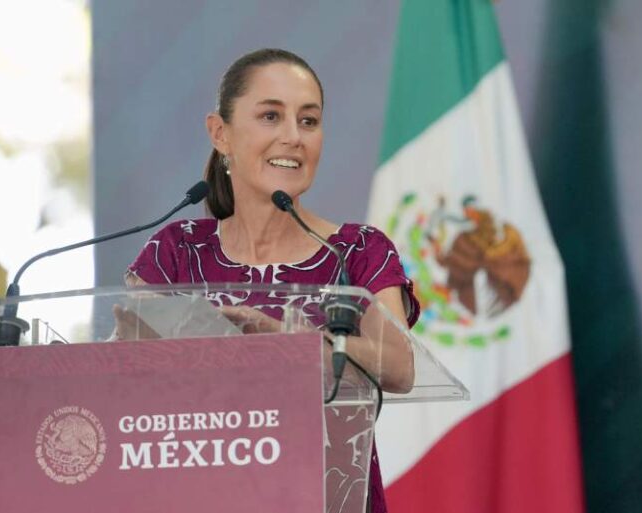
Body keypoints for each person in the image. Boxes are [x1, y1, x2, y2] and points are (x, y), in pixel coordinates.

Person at [120, 48, 420, 513]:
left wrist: (290, 343)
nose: (293, 137)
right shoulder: (176, 252)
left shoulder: (358, 251)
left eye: (308, 121)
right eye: (270, 116)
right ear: (220, 133)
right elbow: (118, 377)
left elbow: (399, 367)